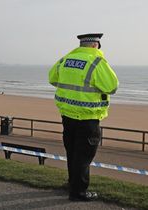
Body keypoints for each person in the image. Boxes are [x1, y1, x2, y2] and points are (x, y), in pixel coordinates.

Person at [48, 33, 118, 201]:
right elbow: (112, 86)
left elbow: (52, 78)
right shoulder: (97, 62)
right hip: (88, 118)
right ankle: (78, 193)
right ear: (96, 45)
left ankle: (72, 184)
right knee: (84, 156)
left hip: (67, 115)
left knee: (72, 153)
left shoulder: (66, 59)